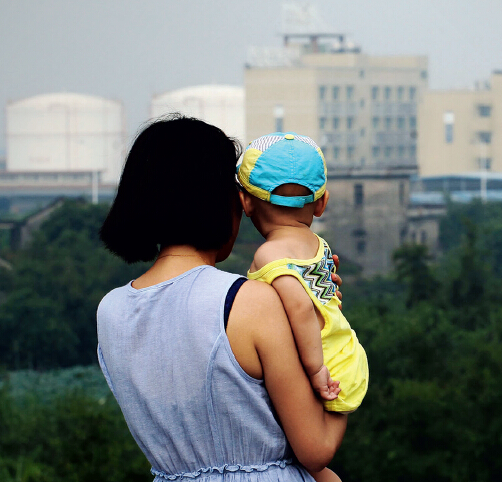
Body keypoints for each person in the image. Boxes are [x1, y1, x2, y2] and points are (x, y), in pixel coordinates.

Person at [97, 115, 347, 482]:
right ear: (221, 202)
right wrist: (329, 321)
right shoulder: (250, 301)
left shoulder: (110, 312)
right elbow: (317, 447)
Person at [236, 132, 369, 415]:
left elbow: (301, 307)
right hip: (346, 353)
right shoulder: (318, 244)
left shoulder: (267, 254)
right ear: (321, 204)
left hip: (321, 370)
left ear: (246, 203)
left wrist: (316, 369)